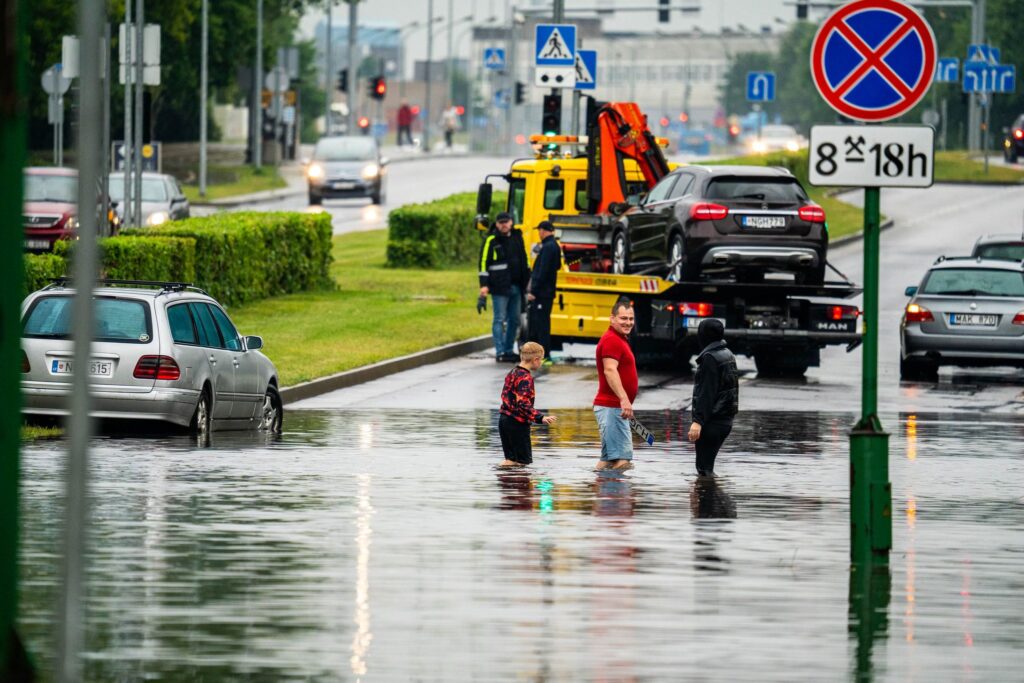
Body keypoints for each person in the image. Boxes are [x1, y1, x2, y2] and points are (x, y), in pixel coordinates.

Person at [688, 318, 739, 476]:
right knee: (707, 468)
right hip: (725, 421)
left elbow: (706, 393)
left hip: (712, 422)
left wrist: (698, 422)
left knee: (703, 470)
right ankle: (714, 499)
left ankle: (711, 499)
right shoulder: (727, 354)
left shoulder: (710, 358)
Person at [479, 212, 530, 362]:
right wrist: (484, 285)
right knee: (499, 319)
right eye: (500, 222)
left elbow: (524, 259)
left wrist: (526, 282)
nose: (503, 225)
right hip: (499, 287)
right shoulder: (491, 240)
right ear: (496, 224)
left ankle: (508, 350)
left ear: (511, 222)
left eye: (506, 222)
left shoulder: (517, 237)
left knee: (514, 320)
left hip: (517, 286)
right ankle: (500, 352)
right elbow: (483, 263)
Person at [593, 300, 638, 471]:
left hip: (612, 408)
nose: (628, 323)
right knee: (623, 462)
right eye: (623, 318)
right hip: (612, 408)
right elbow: (609, 370)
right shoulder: (612, 340)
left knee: (607, 461)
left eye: (631, 319)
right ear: (612, 318)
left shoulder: (619, 339)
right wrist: (624, 400)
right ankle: (617, 497)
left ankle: (601, 494)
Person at [498, 341, 557, 467]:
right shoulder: (525, 378)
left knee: (510, 460)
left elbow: (505, 395)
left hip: (504, 420)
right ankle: (521, 486)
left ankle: (505, 484)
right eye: (541, 360)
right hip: (517, 424)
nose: (541, 363)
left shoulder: (512, 372)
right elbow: (523, 404)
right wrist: (540, 417)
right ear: (535, 360)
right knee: (522, 463)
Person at [527, 220, 562, 363]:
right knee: (544, 322)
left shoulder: (547, 247)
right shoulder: (555, 246)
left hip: (542, 293)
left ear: (544, 230)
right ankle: (544, 354)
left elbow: (542, 271)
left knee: (541, 325)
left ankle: (544, 355)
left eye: (539, 230)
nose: (539, 233)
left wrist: (533, 290)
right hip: (548, 292)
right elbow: (557, 266)